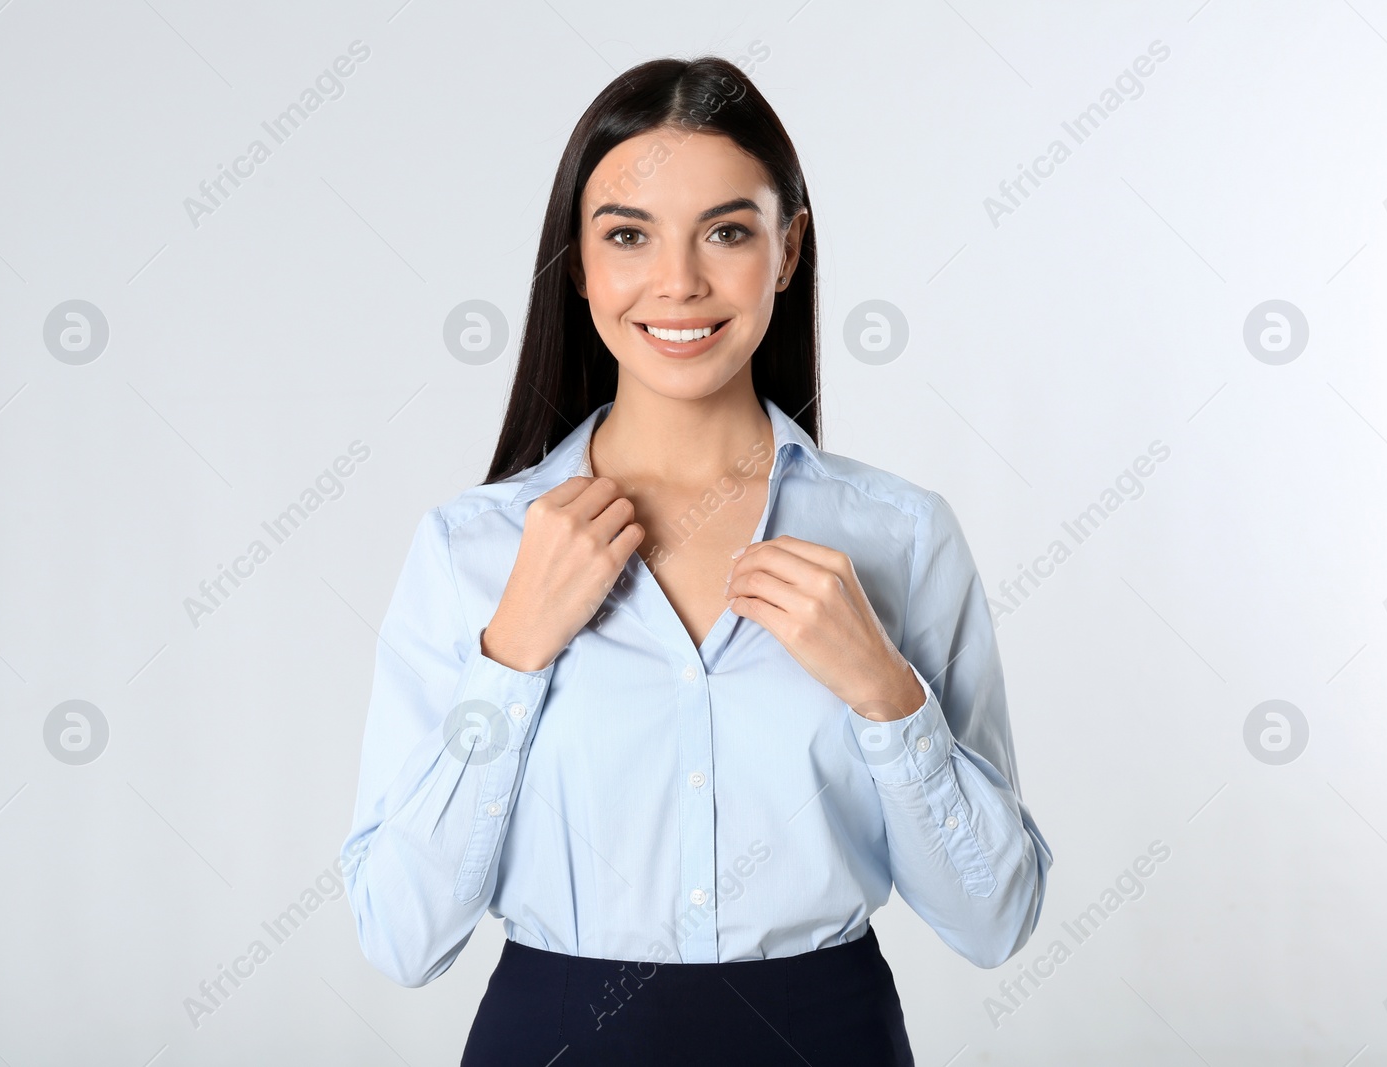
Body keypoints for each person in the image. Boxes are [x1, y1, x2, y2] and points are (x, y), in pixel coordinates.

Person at [341, 55, 1052, 1066]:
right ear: (579, 263)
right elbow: (400, 934)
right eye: (628, 235)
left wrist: (885, 694)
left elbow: (994, 918)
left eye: (725, 231)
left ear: (787, 249)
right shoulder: (471, 550)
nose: (678, 281)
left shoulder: (900, 535)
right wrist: (512, 656)